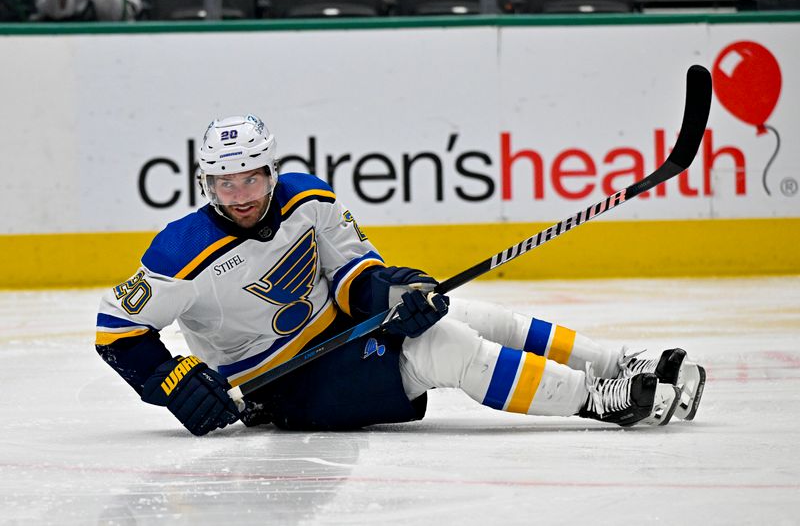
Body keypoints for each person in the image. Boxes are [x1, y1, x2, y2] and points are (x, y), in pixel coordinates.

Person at [95, 115, 705, 436]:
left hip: (340, 333)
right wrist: (170, 380)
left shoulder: (308, 198)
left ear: (271, 170)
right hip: (282, 385)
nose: (240, 195)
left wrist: (394, 291)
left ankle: (620, 362)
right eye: (225, 183)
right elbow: (116, 330)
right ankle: (596, 402)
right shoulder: (181, 250)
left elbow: (354, 273)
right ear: (207, 183)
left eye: (251, 177)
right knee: (445, 347)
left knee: (473, 315)